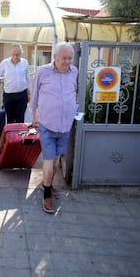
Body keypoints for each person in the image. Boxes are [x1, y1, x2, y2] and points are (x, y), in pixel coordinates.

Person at [30, 42, 78, 214]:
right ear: (55, 58)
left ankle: (47, 185)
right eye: (64, 58)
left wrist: (73, 108)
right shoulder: (43, 72)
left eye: (69, 58)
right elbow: (34, 97)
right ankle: (47, 196)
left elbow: (73, 92)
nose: (67, 61)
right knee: (49, 160)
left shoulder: (74, 72)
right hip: (47, 125)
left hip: (65, 125)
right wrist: (35, 116)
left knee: (57, 160)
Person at [0, 44, 30, 123]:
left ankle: (19, 135)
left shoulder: (25, 62)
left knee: (20, 119)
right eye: (13, 55)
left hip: (22, 95)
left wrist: (29, 94)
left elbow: (27, 78)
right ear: (11, 54)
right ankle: (10, 135)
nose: (15, 57)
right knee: (10, 119)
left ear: (21, 54)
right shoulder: (5, 63)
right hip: (9, 96)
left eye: (17, 55)